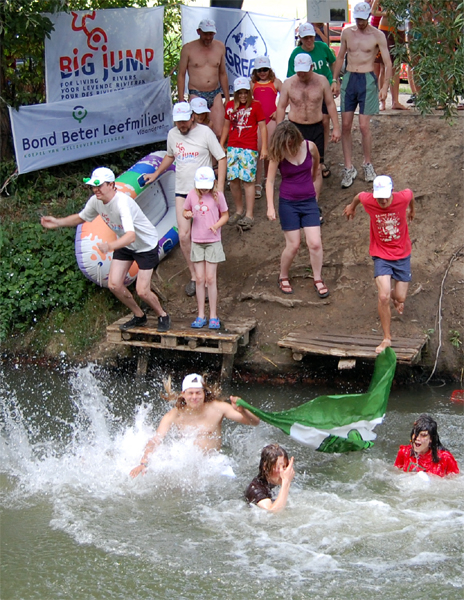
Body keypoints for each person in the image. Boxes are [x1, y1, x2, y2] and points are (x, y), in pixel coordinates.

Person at [41, 167, 170, 332]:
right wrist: (57, 222)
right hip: (125, 245)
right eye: (93, 186)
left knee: (142, 291)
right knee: (114, 285)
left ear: (111, 184)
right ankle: (139, 316)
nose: (95, 190)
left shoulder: (122, 203)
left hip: (145, 245)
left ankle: (163, 315)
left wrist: (110, 246)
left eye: (99, 185)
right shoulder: (96, 201)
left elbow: (130, 235)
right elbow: (81, 217)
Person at [143, 102, 226, 298]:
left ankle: (209, 276)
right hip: (182, 192)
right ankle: (195, 276)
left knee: (206, 234)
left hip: (204, 193)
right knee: (184, 236)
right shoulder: (173, 134)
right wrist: (155, 174)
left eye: (184, 122)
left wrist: (219, 188)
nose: (181, 126)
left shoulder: (205, 133)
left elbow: (221, 157)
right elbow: (170, 156)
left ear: (192, 117)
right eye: (178, 122)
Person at [129, 373, 259, 478]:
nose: (194, 397)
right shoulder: (174, 415)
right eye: (190, 393)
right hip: (188, 468)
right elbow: (155, 440)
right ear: (183, 394)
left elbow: (255, 422)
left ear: (204, 393)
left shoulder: (218, 408)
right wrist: (143, 462)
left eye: (198, 393)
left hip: (214, 464)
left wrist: (244, 409)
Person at [343, 175, 415, 353]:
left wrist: (412, 210)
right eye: (378, 196)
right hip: (381, 254)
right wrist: (351, 208)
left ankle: (395, 296)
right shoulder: (370, 200)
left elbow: (411, 195)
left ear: (392, 191)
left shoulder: (402, 198)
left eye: (385, 196)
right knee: (383, 296)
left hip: (402, 254)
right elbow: (359, 196)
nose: (382, 200)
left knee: (400, 298)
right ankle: (386, 338)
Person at [332, 2, 393, 188]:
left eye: (362, 19)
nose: (360, 23)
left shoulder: (377, 35)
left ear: (368, 17)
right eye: (357, 19)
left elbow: (387, 63)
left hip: (367, 79)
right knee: (346, 125)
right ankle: (349, 167)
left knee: (364, 126)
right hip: (350, 77)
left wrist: (384, 87)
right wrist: (335, 79)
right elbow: (341, 56)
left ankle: (367, 163)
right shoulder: (347, 33)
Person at [266, 121, 329, 298]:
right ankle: (283, 275)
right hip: (288, 203)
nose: (290, 146)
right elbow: (270, 181)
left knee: (315, 243)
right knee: (293, 245)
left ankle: (317, 278)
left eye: (292, 142)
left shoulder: (309, 146)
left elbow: (316, 163)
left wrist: (313, 176)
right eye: (286, 144)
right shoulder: (278, 153)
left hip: (309, 201)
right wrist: (270, 206)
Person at [276, 53, 341, 201]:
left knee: (317, 167)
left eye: (305, 71)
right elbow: (281, 107)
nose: (302, 75)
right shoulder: (289, 83)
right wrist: (279, 129)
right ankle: (295, 198)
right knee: (294, 164)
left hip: (315, 127)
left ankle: (314, 202)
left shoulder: (322, 81)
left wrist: (336, 127)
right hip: (294, 127)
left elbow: (330, 104)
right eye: (299, 71)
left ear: (311, 67)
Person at [286, 22, 338, 178]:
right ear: (300, 38)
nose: (309, 41)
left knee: (324, 120)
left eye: (311, 37)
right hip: (305, 93)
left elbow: (333, 61)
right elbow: (290, 78)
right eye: (306, 38)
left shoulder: (322, 47)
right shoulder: (296, 54)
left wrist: (334, 79)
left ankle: (321, 158)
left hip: (322, 88)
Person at [183, 166, 229, 329]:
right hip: (197, 241)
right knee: (200, 279)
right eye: (201, 185)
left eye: (206, 186)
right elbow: (185, 210)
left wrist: (216, 225)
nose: (203, 189)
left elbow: (225, 214)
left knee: (211, 278)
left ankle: (213, 315)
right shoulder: (191, 194)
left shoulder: (218, 196)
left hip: (213, 241)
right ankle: (201, 314)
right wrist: (187, 214)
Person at [220, 76, 268, 230]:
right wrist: (222, 143)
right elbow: (226, 126)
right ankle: (239, 210)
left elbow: (263, 127)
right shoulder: (229, 106)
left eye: (245, 93)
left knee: (248, 181)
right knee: (233, 180)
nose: (242, 96)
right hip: (233, 147)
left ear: (249, 93)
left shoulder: (256, 106)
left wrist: (264, 147)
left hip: (249, 147)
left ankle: (249, 214)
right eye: (239, 93)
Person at [177, 19, 230, 138]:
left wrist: (227, 98)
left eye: (211, 34)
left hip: (215, 92)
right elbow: (181, 74)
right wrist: (181, 99)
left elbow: (222, 73)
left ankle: (215, 156)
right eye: (205, 34)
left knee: (219, 132)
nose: (208, 37)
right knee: (197, 132)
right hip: (196, 92)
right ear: (198, 32)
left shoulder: (220, 46)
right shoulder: (188, 48)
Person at [250, 55, 282, 198]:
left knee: (269, 151)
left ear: (269, 70)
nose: (262, 73)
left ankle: (268, 179)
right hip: (258, 120)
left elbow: (285, 97)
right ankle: (257, 181)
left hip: (271, 119)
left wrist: (279, 110)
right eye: (259, 70)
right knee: (257, 151)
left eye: (265, 69)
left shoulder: (276, 83)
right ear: (255, 72)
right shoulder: (252, 84)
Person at [394, 414, 460, 476]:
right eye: (415, 434)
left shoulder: (445, 458)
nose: (417, 438)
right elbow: (396, 474)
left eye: (423, 435)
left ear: (431, 438)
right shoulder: (404, 452)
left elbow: (455, 482)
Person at [245, 444, 295, 512]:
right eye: (279, 467)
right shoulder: (256, 489)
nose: (284, 472)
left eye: (285, 466)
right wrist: (286, 481)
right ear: (265, 467)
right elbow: (273, 512)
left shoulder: (274, 481)